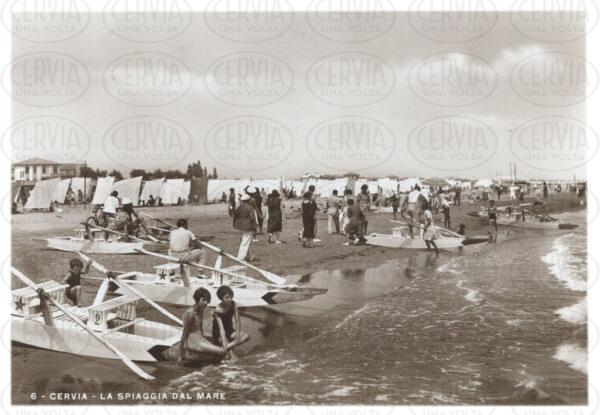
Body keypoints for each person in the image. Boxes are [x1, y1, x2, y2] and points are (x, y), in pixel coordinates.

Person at [178, 288, 226, 362]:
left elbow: (200, 328)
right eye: (203, 300)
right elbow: (184, 334)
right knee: (222, 351)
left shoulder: (201, 309)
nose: (206, 302)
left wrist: (204, 340)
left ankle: (205, 364)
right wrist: (181, 354)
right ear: (197, 299)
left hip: (199, 338)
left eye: (207, 300)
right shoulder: (190, 314)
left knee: (218, 353)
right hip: (193, 341)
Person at [212, 285, 250, 358]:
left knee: (246, 336)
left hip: (230, 330)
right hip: (219, 334)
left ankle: (225, 348)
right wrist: (224, 340)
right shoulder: (217, 310)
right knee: (231, 355)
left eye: (231, 297)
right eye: (227, 297)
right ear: (221, 298)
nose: (230, 299)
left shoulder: (233, 304)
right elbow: (221, 329)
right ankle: (228, 352)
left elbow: (238, 321)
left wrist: (237, 335)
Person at [233, 194, 258, 261]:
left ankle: (250, 256)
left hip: (241, 226)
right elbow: (252, 218)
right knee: (245, 242)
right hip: (248, 226)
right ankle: (241, 258)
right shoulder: (250, 207)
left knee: (247, 241)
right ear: (248, 200)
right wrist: (255, 227)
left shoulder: (239, 207)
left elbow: (234, 215)